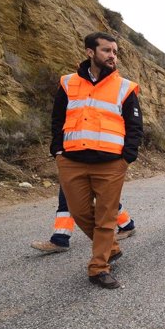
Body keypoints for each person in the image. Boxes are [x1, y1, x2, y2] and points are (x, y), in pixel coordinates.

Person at [50, 32, 143, 289]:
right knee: (79, 212)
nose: (112, 55)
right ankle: (110, 247)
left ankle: (98, 267)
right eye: (106, 50)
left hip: (111, 164)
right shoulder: (68, 83)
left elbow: (135, 125)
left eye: (115, 51)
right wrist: (57, 150)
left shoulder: (125, 87)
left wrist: (127, 157)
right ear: (90, 52)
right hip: (72, 160)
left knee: (105, 217)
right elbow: (57, 119)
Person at [30, 186, 136, 254]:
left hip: (92, 160)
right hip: (71, 162)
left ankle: (127, 225)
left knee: (105, 200)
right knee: (66, 200)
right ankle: (60, 239)